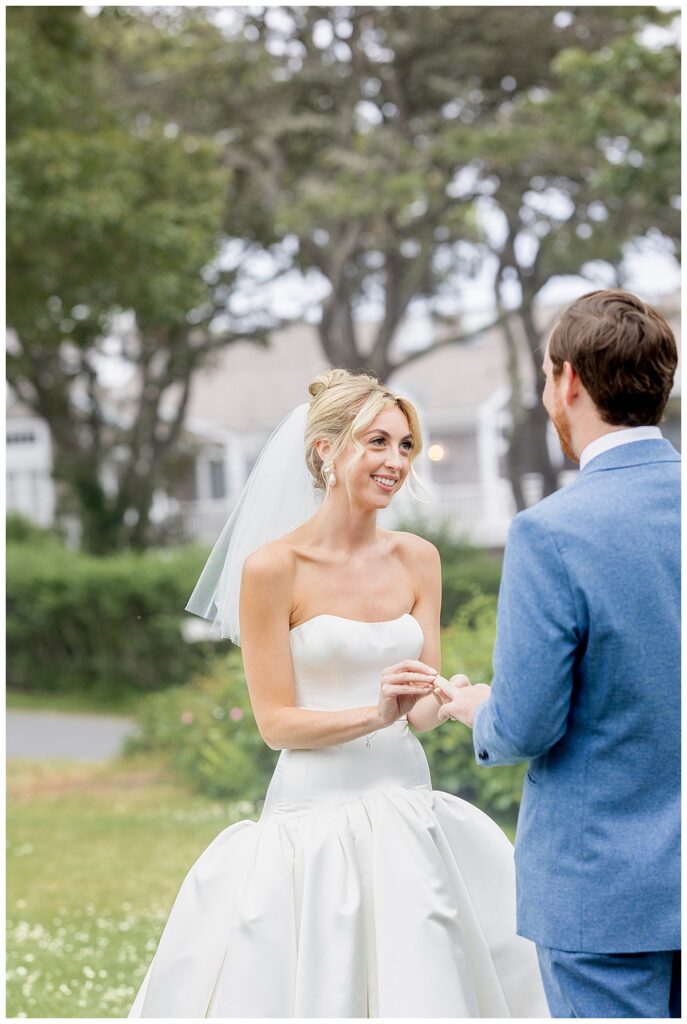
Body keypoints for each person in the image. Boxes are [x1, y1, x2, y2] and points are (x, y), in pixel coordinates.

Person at [129, 369, 549, 1018]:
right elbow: (276, 724)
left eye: (405, 446)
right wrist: (371, 713)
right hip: (313, 818)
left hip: (407, 808)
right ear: (325, 450)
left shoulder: (418, 559)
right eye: (376, 442)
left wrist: (453, 698)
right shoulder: (273, 569)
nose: (395, 461)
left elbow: (419, 712)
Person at [436, 289, 680, 1018]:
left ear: (567, 380)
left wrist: (475, 708)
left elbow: (527, 724)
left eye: (546, 376)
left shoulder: (551, 534)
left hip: (603, 891)